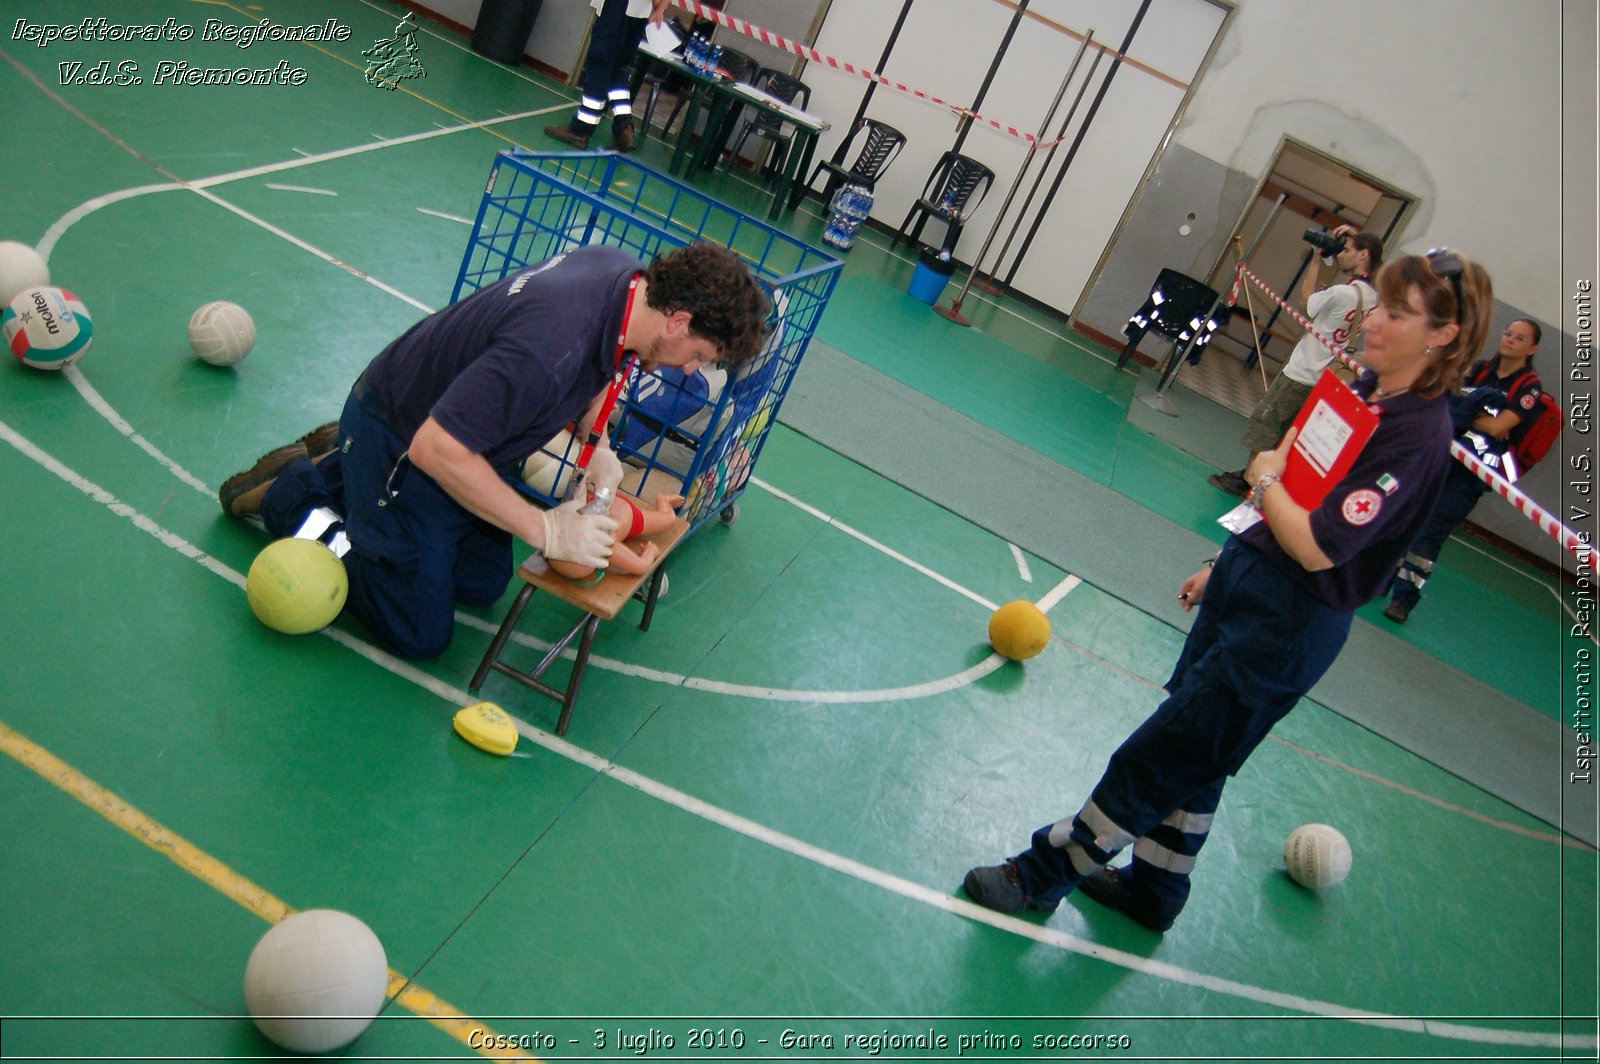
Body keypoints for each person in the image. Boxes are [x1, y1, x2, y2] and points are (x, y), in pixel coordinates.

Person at [965, 249, 1491, 932]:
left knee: (1159, 757)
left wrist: (1264, 477)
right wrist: (1226, 558)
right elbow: (1293, 483)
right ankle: (1156, 892)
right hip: (1248, 583)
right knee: (1197, 756)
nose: (1375, 321)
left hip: (1287, 625)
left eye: (1397, 313)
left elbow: (1317, 543)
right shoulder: (1362, 388)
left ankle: (1040, 876)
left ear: (1444, 335)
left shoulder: (1417, 435)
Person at [218, 242, 770, 661]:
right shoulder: (549, 347)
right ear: (678, 322)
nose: (693, 367)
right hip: (408, 439)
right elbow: (437, 450)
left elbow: (605, 359)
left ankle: (343, 462)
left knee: (481, 584)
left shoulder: (625, 279)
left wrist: (595, 441)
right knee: (419, 631)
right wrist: (546, 530)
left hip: (460, 428)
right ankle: (295, 491)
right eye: (699, 353)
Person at [1382, 318, 1544, 623]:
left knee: (1431, 532)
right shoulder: (1479, 369)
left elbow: (1498, 426)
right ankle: (1380, 581)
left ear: (1531, 348)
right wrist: (1464, 412)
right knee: (1403, 517)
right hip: (1439, 457)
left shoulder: (1528, 388)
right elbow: (1444, 403)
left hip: (1470, 476)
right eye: (1508, 332)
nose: (1510, 339)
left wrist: (1464, 413)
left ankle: (1404, 600)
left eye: (1520, 338)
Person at [1211, 226, 1382, 497]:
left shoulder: (1343, 293)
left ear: (1363, 255)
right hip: (1325, 377)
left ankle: (1249, 479)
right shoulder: (1372, 297)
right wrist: (1356, 235)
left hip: (1303, 370)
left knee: (1267, 424)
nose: (1341, 255)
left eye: (1347, 251)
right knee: (1288, 432)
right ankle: (1259, 479)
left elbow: (1307, 303)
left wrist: (1316, 260)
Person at [545, 0, 671, 153]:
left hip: (616, 9)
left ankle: (580, 130)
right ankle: (624, 128)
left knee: (600, 65)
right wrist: (660, 10)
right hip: (640, 14)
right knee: (618, 68)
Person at [548, 491, 685, 582]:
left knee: (667, 519)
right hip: (604, 501)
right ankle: (663, 501)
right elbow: (641, 566)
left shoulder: (606, 546)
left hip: (625, 513)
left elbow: (641, 566)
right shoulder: (601, 546)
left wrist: (651, 551)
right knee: (666, 520)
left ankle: (664, 501)